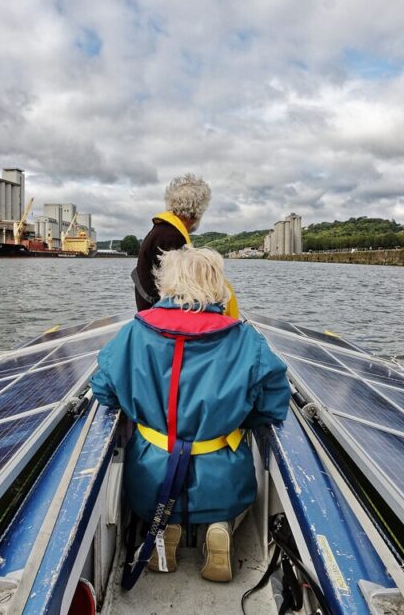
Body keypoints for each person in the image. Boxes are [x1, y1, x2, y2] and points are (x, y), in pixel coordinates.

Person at [93, 246, 289, 585]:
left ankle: (163, 529)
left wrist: (142, 406)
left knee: (156, 506)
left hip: (151, 478)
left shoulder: (133, 333)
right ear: (217, 285)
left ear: (166, 282)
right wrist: (236, 419)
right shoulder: (246, 340)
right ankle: (220, 526)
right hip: (224, 478)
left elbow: (103, 390)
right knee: (234, 504)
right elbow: (273, 404)